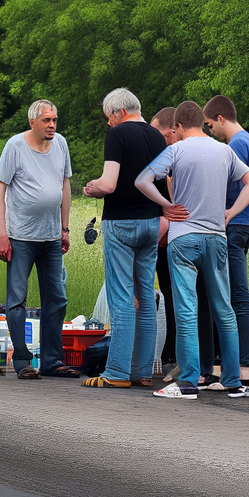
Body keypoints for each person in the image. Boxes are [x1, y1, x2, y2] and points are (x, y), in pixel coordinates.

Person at [134, 100, 249, 399]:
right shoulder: (225, 150)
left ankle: (189, 381)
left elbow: (142, 180)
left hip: (184, 239)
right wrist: (231, 211)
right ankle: (233, 381)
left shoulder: (175, 151)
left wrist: (166, 206)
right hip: (217, 238)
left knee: (188, 310)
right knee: (224, 309)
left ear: (177, 127)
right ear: (201, 123)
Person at [79, 88, 167, 388]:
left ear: (118, 112)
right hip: (152, 221)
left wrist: (92, 188)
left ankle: (116, 372)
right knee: (145, 296)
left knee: (121, 298)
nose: (108, 123)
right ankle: (141, 372)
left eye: (109, 117)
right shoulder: (157, 137)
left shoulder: (117, 136)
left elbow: (110, 183)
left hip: (121, 223)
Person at [0, 99, 77, 379]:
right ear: (33, 122)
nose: (52, 125)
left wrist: (65, 229)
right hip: (20, 236)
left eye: (54, 120)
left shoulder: (60, 144)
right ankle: (23, 361)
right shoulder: (15, 146)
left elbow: (65, 185)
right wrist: (1, 234)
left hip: (51, 236)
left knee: (57, 298)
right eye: (47, 121)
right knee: (17, 299)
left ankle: (52, 361)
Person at [204, 94, 249, 394]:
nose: (209, 131)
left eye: (209, 125)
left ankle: (244, 372)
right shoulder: (248, 141)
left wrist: (227, 213)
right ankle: (240, 369)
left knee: (236, 297)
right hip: (246, 225)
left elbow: (228, 185)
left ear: (220, 119)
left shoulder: (236, 145)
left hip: (235, 227)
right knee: (234, 296)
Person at [148, 107, 183, 374]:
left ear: (171, 132)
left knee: (179, 296)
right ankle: (169, 352)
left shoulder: (178, 158)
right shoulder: (162, 158)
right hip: (162, 240)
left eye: (157, 133)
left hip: (175, 238)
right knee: (168, 297)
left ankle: (180, 353)